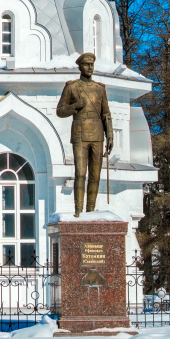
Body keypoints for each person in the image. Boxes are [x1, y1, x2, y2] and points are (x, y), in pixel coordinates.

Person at [56, 52, 113, 217]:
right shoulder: (72, 87)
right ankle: (78, 210)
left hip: (97, 134)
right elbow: (60, 110)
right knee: (81, 173)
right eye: (86, 65)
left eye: (92, 65)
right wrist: (74, 106)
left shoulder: (99, 89)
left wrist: (110, 135)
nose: (90, 68)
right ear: (80, 67)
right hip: (80, 134)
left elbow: (106, 114)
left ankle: (90, 210)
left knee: (95, 175)